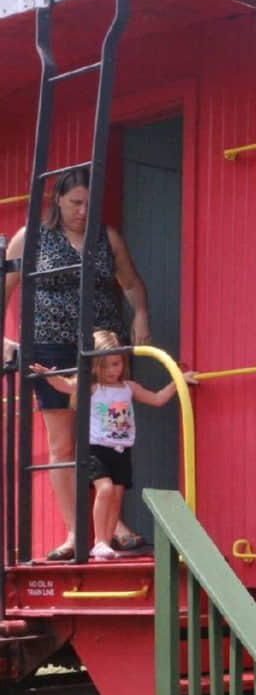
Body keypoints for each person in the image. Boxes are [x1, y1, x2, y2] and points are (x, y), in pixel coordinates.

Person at [3, 169, 153, 560]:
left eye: (89, 203)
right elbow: (5, 287)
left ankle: (112, 526)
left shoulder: (107, 237)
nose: (83, 211)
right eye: (75, 203)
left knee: (109, 435)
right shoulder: (30, 237)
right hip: (50, 348)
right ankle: (75, 533)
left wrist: (140, 315)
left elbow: (132, 282)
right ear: (57, 201)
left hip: (103, 348)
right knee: (63, 442)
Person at [32, 330, 188, 559]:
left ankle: (104, 543)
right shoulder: (94, 388)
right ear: (95, 366)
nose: (112, 371)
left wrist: (179, 381)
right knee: (104, 489)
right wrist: (48, 376)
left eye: (116, 364)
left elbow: (156, 399)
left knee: (116, 494)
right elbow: (66, 386)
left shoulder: (129, 387)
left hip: (122, 450)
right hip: (97, 449)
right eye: (105, 366)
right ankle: (99, 540)